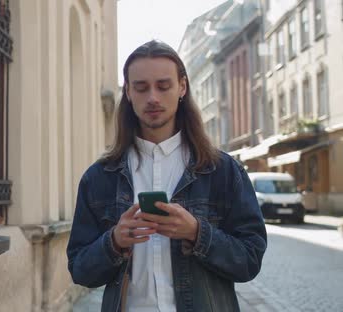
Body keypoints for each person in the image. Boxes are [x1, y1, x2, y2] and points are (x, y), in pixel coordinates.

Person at [66, 40, 267, 312]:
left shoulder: (223, 171)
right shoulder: (99, 177)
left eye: (163, 86)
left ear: (182, 87)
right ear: (128, 92)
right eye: (141, 87)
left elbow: (250, 259)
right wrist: (114, 241)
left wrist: (197, 233)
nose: (152, 98)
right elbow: (80, 270)